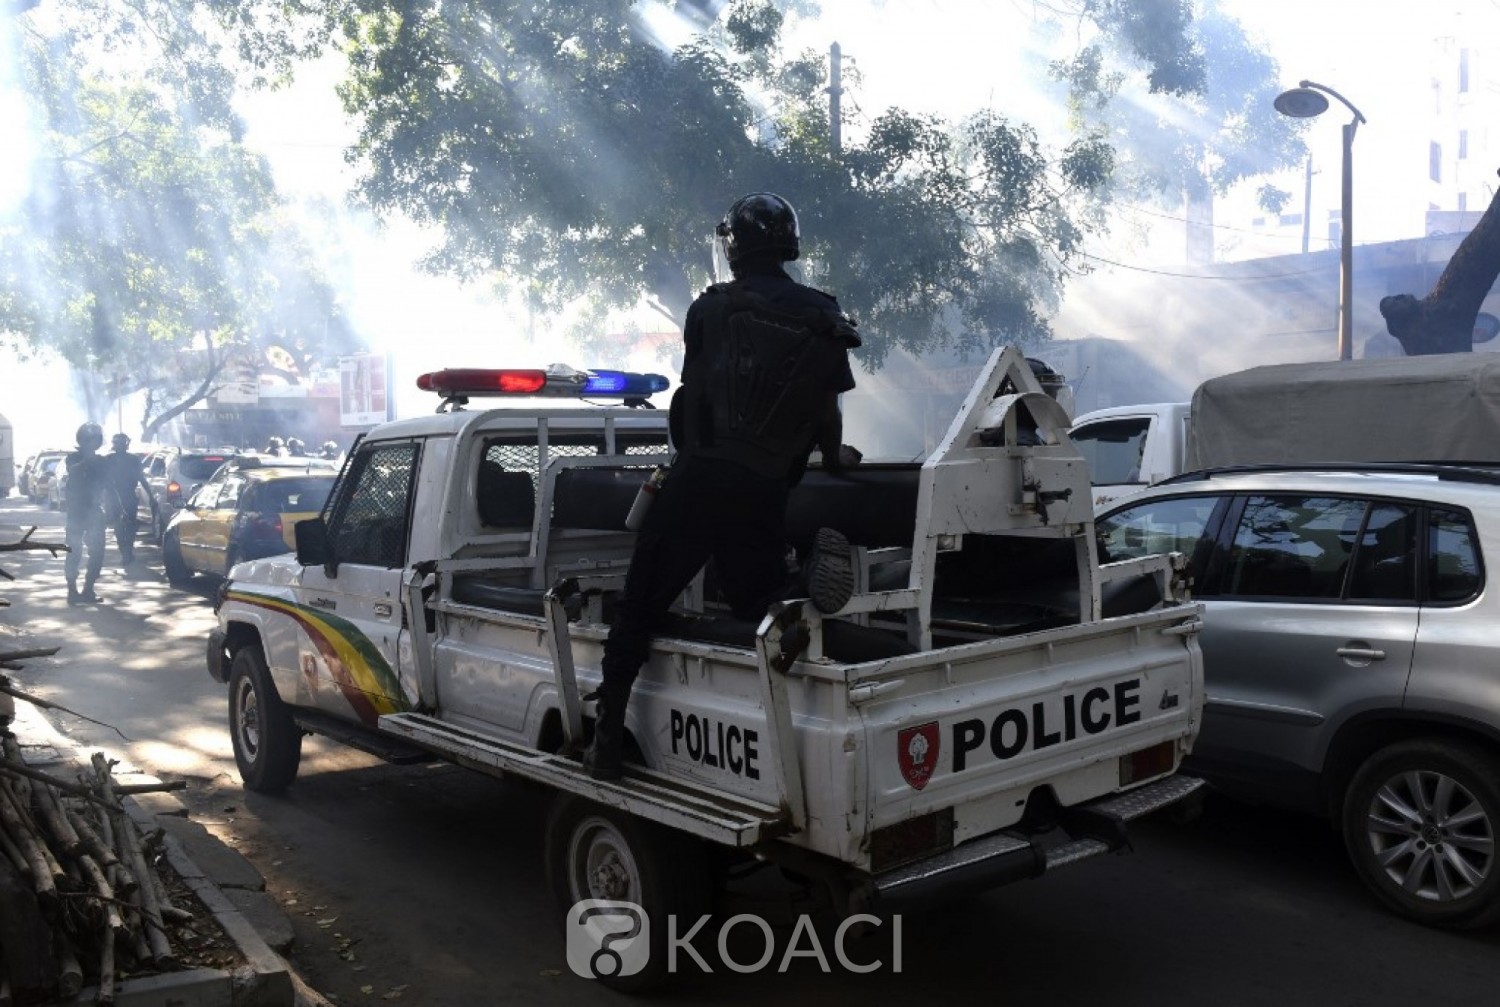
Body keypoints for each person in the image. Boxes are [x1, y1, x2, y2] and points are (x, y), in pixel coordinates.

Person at [582, 191, 862, 781]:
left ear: (733, 246)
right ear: (788, 242)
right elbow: (827, 414)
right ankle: (799, 582)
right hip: (764, 489)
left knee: (639, 606)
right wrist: (834, 456)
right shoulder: (826, 315)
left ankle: (605, 736)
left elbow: (693, 401)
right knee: (753, 602)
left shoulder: (710, 308)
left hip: (700, 479)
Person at [63, 423, 110, 604]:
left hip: (95, 512)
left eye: (96, 439)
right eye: (90, 439)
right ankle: (72, 591)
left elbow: (108, 484)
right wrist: (86, 461)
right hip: (76, 512)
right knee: (73, 550)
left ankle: (88, 589)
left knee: (97, 552)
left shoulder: (102, 461)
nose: (94, 442)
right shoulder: (72, 458)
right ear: (82, 440)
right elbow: (72, 471)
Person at [103, 434, 156, 566]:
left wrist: (151, 496)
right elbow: (102, 480)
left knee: (125, 525)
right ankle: (126, 552)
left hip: (123, 496)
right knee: (123, 525)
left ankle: (126, 552)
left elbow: (141, 478)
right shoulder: (118, 460)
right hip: (117, 497)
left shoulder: (124, 460)